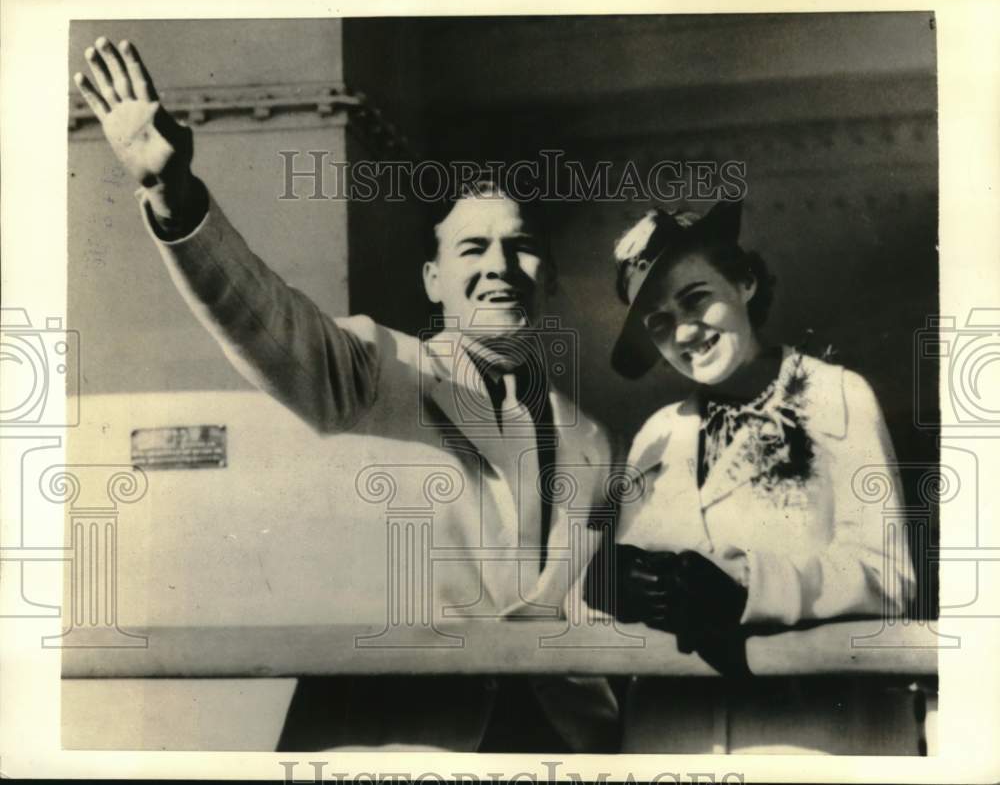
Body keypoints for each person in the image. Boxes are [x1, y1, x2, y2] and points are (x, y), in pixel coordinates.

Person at [75, 37, 618, 753]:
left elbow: (590, 608)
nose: (500, 268)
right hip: (394, 743)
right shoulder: (373, 370)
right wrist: (172, 198)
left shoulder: (589, 439)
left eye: (519, 247)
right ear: (433, 281)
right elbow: (261, 314)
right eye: (472, 249)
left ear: (547, 274)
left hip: (549, 742)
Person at [586, 200, 918, 753]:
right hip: (675, 740)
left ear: (743, 282)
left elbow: (888, 576)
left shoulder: (836, 395)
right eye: (660, 322)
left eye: (696, 300)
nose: (685, 332)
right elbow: (616, 585)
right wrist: (611, 587)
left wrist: (750, 587)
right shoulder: (656, 435)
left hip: (804, 739)